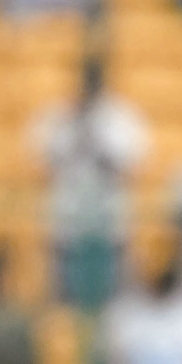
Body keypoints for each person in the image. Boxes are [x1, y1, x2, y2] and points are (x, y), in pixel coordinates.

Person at [30, 59, 148, 314]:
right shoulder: (60, 116)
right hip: (68, 220)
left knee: (112, 301)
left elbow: (130, 164)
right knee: (66, 301)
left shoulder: (120, 117)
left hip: (110, 222)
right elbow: (42, 160)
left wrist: (97, 137)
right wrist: (77, 132)